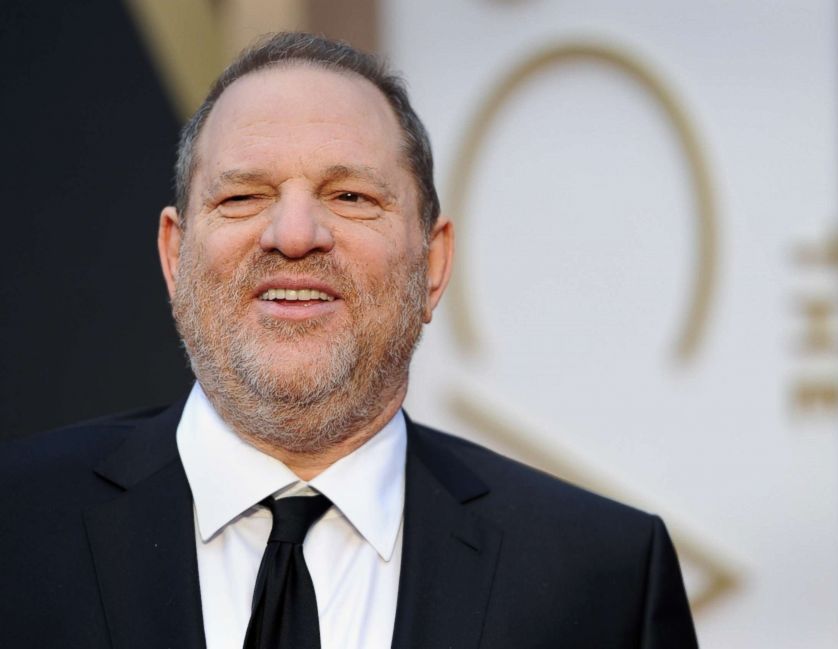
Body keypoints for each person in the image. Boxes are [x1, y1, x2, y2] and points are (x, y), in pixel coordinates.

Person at [0, 32, 696, 649]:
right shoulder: (17, 531)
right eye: (243, 196)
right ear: (174, 256)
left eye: (351, 196)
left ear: (433, 264)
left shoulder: (601, 581)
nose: (295, 235)